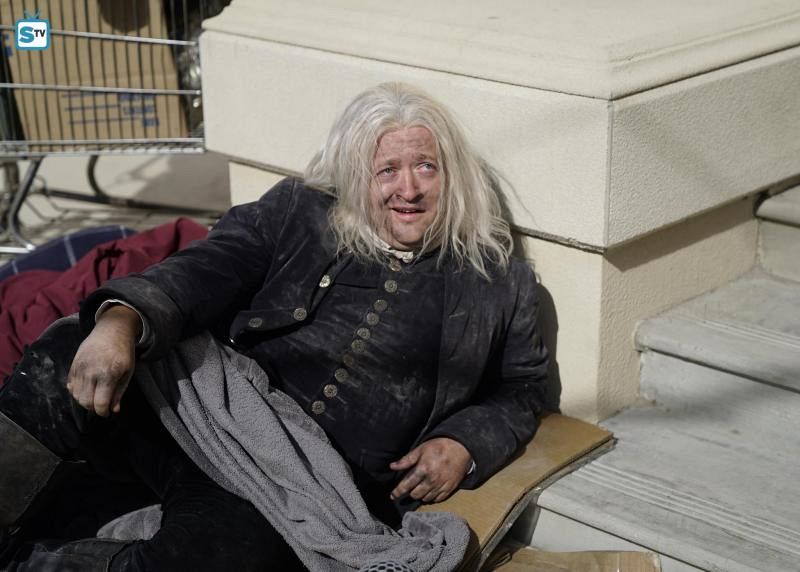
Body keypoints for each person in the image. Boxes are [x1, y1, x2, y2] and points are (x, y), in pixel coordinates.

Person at [0, 83, 548, 570]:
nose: (408, 189)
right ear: (357, 176)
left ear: (452, 175)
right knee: (69, 348)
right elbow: (207, 266)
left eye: (426, 167)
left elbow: (522, 389)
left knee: (226, 554)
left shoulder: (499, 284)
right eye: (387, 171)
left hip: (306, 488)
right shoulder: (298, 211)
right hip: (209, 412)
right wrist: (123, 318)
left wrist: (465, 442)